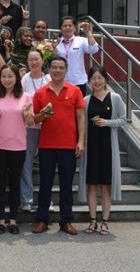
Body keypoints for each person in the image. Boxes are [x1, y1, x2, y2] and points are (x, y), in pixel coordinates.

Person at [31, 56, 86, 236]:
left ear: (66, 70)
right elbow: (34, 119)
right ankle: (42, 220)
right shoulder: (40, 92)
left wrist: (81, 141)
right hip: (46, 145)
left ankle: (66, 220)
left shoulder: (75, 90)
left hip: (68, 145)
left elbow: (81, 118)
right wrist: (43, 114)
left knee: (66, 185)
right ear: (49, 70)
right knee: (45, 184)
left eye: (61, 67)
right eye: (54, 67)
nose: (57, 70)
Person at [78, 65, 126, 236]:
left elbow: (124, 120)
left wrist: (107, 123)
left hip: (108, 147)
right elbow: (82, 122)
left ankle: (105, 222)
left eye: (100, 78)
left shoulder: (115, 98)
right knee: (91, 185)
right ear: (89, 81)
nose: (97, 81)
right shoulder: (86, 100)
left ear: (106, 79)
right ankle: (92, 221)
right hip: (91, 147)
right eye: (93, 78)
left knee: (105, 186)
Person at [0, 64, 33, 235]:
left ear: (17, 78)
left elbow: (30, 122)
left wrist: (26, 114)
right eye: (4, 76)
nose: (7, 80)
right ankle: (1, 219)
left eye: (10, 76)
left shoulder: (26, 97)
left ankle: (13, 220)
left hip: (18, 145)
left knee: (15, 184)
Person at [20, 49, 51, 212]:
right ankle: (27, 199)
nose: (34, 62)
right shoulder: (24, 79)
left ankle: (47, 200)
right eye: (31, 59)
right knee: (26, 163)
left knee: (47, 164)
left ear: (42, 60)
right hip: (30, 126)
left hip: (47, 126)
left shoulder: (49, 79)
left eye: (36, 59)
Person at [55, 16, 99, 96]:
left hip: (78, 81)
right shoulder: (56, 44)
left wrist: (87, 32)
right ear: (60, 29)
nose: (67, 28)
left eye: (70, 25)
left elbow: (93, 49)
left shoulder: (81, 40)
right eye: (64, 26)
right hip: (61, 81)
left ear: (75, 28)